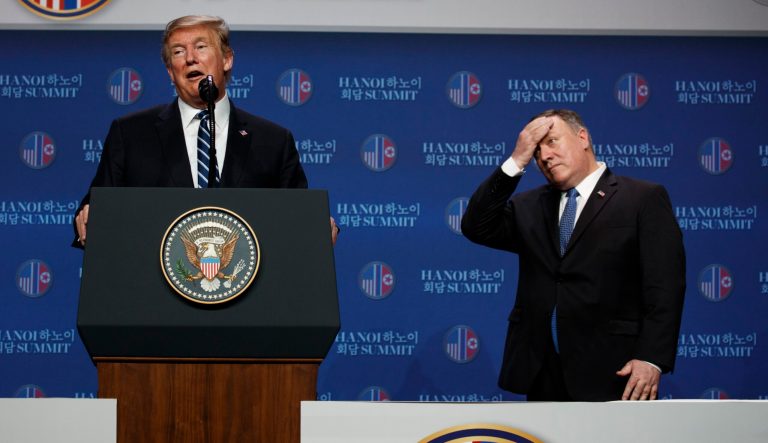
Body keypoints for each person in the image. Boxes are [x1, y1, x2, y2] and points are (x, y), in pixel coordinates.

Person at [461, 109, 685, 401]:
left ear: (583, 138)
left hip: (616, 369)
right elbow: (476, 227)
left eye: (552, 141)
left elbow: (665, 286)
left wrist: (651, 358)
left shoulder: (642, 198)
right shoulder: (529, 206)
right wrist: (516, 161)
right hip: (542, 371)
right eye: (537, 150)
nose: (545, 156)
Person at [74, 15, 338, 246]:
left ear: (226, 59)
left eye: (201, 47)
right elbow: (98, 209)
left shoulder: (273, 140)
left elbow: (297, 216)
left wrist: (315, 227)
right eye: (178, 52)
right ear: (170, 71)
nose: (190, 58)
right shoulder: (130, 134)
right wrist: (88, 216)